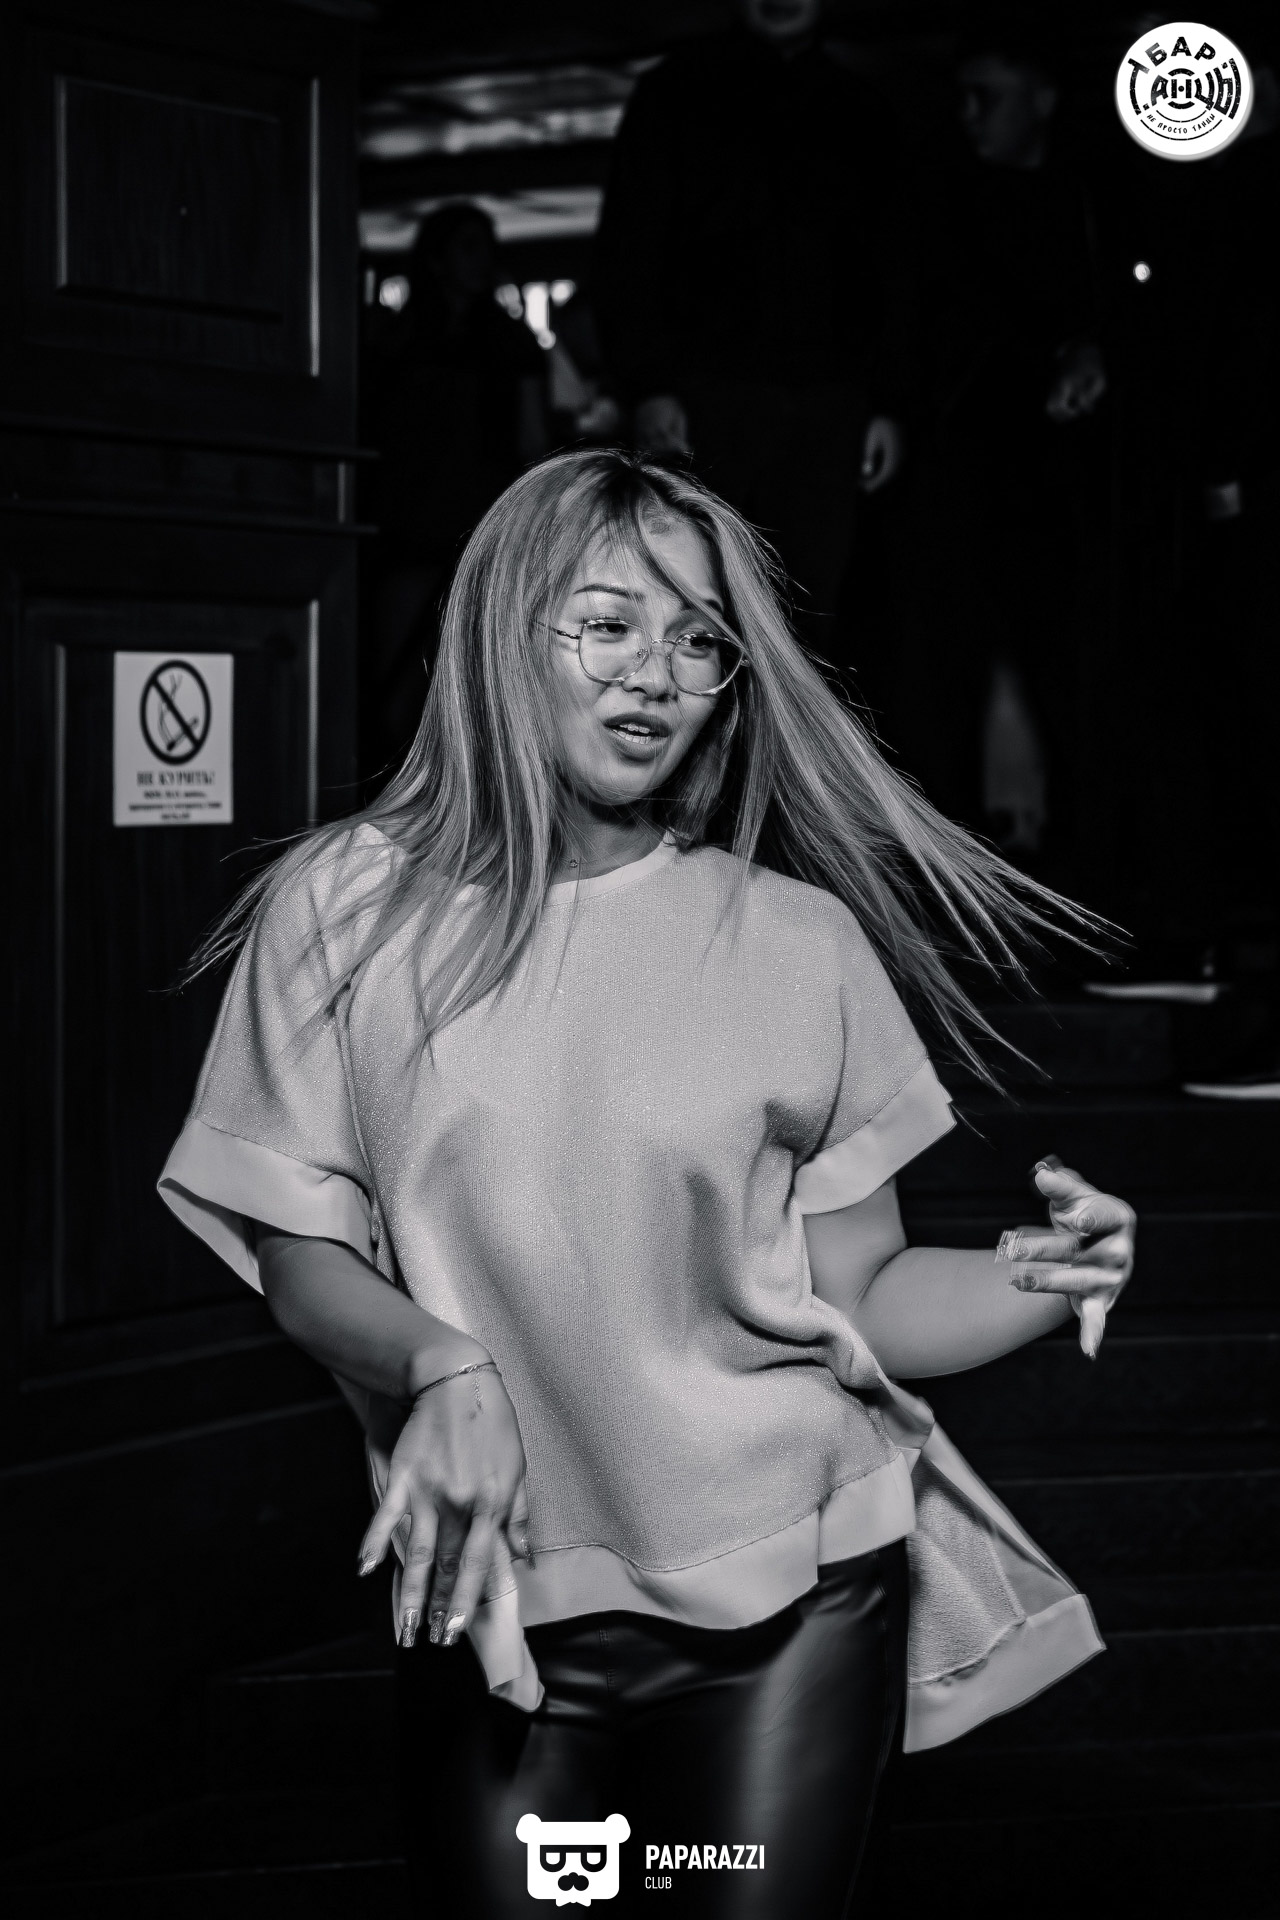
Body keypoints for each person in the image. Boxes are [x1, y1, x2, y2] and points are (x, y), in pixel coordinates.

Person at [158, 449, 1136, 1918]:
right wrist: (439, 1366)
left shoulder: (795, 942)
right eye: (607, 624)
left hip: (796, 1600)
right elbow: (302, 1258)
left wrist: (1044, 1271)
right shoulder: (343, 910)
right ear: (503, 632)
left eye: (697, 642)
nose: (656, 676)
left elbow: (862, 1293)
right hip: (496, 1591)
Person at [594, 0, 908, 644]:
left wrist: (886, 402)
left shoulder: (863, 107)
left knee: (808, 613)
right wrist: (649, 384)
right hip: (707, 400)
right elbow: (629, 249)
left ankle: (787, 717)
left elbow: (895, 266)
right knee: (697, 600)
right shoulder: (675, 92)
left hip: (828, 404)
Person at [875, 30, 1107, 882]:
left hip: (1064, 490)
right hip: (963, 479)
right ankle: (962, 871)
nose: (972, 115)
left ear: (1042, 98)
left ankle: (1083, 864)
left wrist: (1090, 353)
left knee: (1071, 673)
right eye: (965, 97)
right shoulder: (940, 204)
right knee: (947, 678)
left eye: (991, 96)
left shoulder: (1092, 201)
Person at [362, 201, 549, 773]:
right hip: (408, 529)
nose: (482, 258)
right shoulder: (394, 341)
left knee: (475, 689)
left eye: (487, 245)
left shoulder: (510, 342)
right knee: (396, 691)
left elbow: (533, 441)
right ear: (437, 257)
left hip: (483, 530)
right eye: (468, 245)